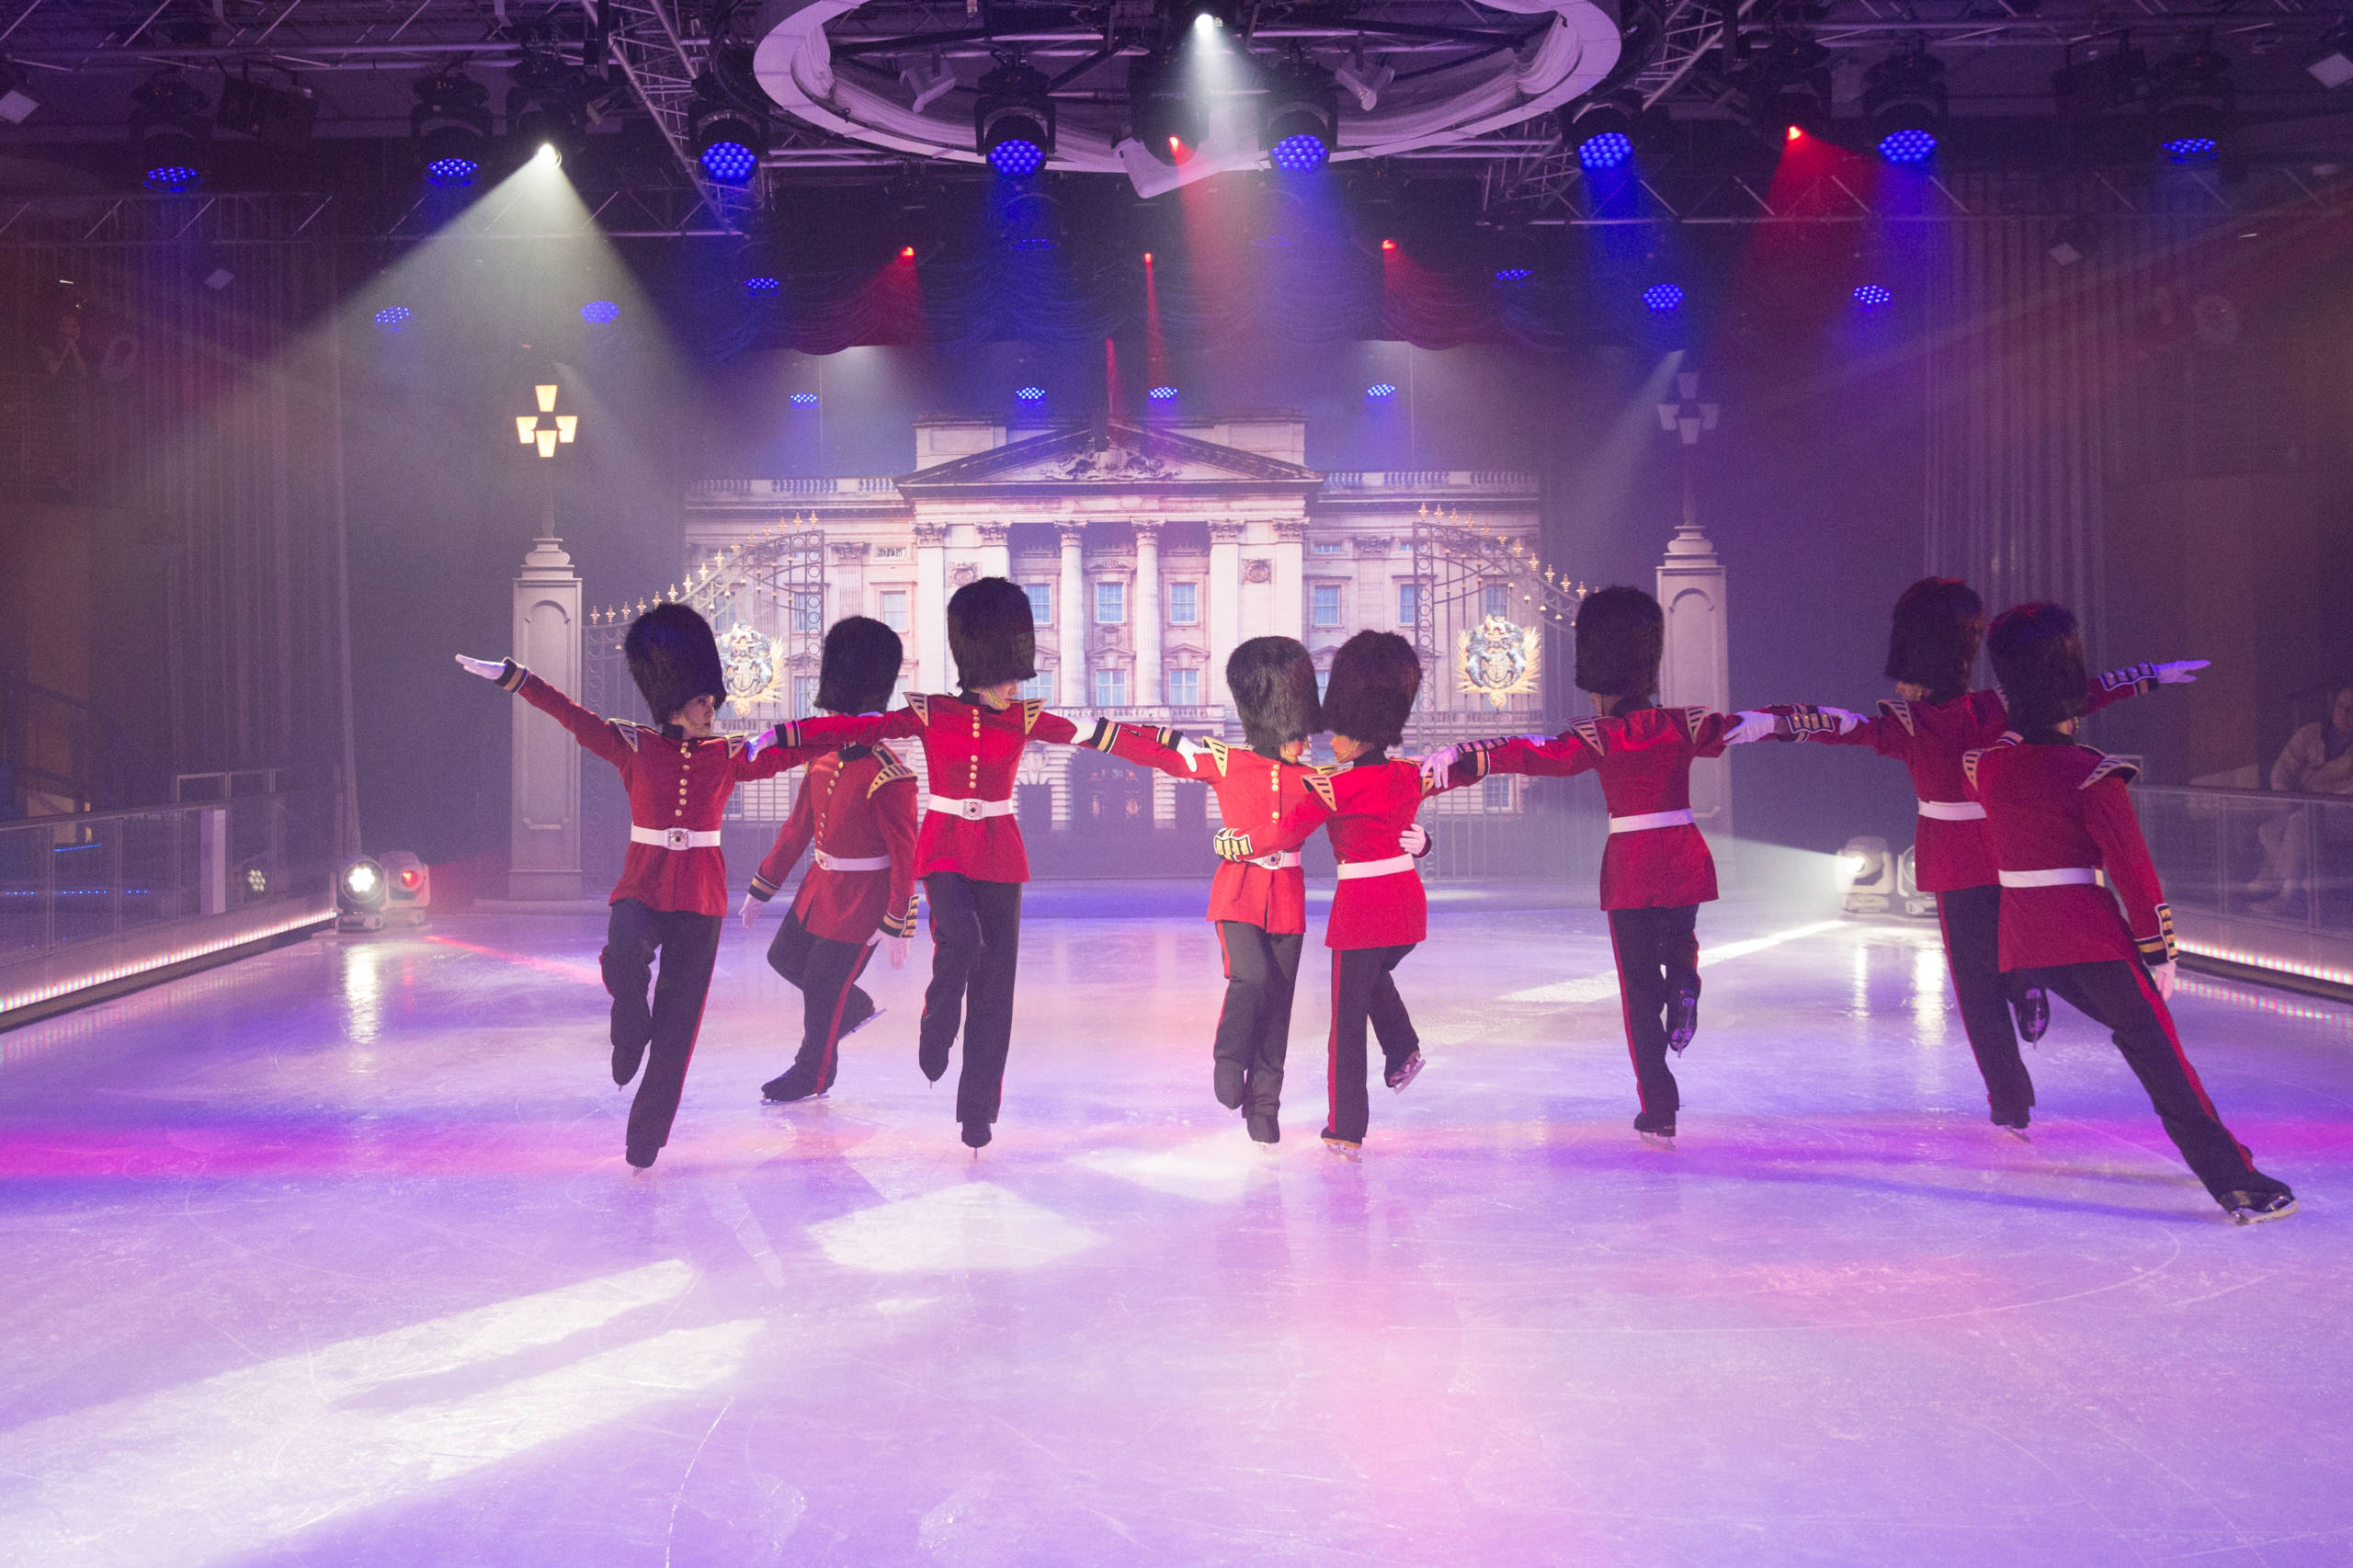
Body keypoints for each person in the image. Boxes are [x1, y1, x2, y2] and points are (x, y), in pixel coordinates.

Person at [1770, 577, 2205, 1138]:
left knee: (1975, 987)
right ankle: (2028, 982)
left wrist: (1766, 724)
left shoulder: (1911, 721)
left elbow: (1835, 726)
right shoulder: (1996, 705)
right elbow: (2076, 693)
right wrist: (2143, 678)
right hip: (2006, 849)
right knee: (2028, 948)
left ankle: (2009, 1099)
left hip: (1952, 859)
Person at [455, 604, 844, 1170]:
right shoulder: (631, 744)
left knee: (680, 1023)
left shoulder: (730, 755)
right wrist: (513, 677)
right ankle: (628, 1018)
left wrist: (860, 728)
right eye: (703, 701)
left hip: (701, 896)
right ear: (675, 702)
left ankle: (645, 1135)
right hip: (642, 882)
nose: (713, 708)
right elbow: (568, 713)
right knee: (626, 956)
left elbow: (800, 748)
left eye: (714, 701)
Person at [1966, 602, 2295, 1224]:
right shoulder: (2092, 774)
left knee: (2136, 1036)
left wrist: (2116, 683)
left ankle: (2025, 987)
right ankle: (2236, 1181)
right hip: (2089, 934)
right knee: (2158, 1054)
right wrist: (2159, 950)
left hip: (2021, 935)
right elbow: (2134, 875)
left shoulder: (1988, 766)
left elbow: (2022, 727)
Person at [1427, 586, 1777, 1147]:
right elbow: (1755, 724)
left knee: (1639, 993)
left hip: (1632, 864)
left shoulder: (1598, 737)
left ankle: (1659, 1109)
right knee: (1679, 939)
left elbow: (1534, 753)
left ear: (1601, 681)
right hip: (1684, 853)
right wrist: (1828, 721)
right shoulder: (1684, 724)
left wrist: (1468, 758)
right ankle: (1686, 984)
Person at [1083, 635, 1390, 1145]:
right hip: (1240, 892)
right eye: (1299, 733)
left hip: (1286, 896)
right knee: (1250, 980)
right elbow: (1160, 750)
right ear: (1277, 726)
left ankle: (1263, 1108)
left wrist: (1418, 842)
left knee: (1280, 1006)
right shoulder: (1227, 761)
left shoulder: (1318, 779)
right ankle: (1228, 1059)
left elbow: (1375, 801)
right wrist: (1089, 733)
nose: (1307, 741)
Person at [815, 578, 1081, 1151]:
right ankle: (938, 1015)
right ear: (982, 667)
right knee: (959, 936)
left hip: (1001, 851)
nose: (1017, 683)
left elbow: (1101, 737)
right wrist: (784, 735)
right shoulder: (931, 711)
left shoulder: (1025, 716)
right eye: (1010, 673)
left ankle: (977, 1110)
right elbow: (862, 727)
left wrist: (1179, 749)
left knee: (995, 987)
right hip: (944, 846)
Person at [1209, 631, 1462, 1158]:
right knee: (1372, 983)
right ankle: (1402, 1049)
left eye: (1338, 732)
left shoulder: (1334, 784)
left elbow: (1287, 831)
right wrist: (1455, 758)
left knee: (1346, 1025)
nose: (1330, 740)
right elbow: (1471, 770)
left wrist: (1237, 841)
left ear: (1354, 734)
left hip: (1360, 913)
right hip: (1408, 908)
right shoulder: (1412, 774)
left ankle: (1346, 1127)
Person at [739, 616, 919, 1105]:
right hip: (819, 891)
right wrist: (761, 889)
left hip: (863, 903)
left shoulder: (892, 775)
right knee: (784, 959)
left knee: (821, 988)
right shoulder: (823, 760)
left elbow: (907, 859)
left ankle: (813, 1074)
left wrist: (898, 923)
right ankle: (853, 1006)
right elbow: (797, 830)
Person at [2251, 684, 2353, 915]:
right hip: (2298, 805)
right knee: (2269, 830)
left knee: (2300, 824)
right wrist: (2286, 800)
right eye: (2341, 707)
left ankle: (2288, 896)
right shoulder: (2311, 733)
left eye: (2352, 709)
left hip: (2343, 813)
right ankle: (2282, 882)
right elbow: (2282, 771)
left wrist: (2317, 805)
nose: (2345, 714)